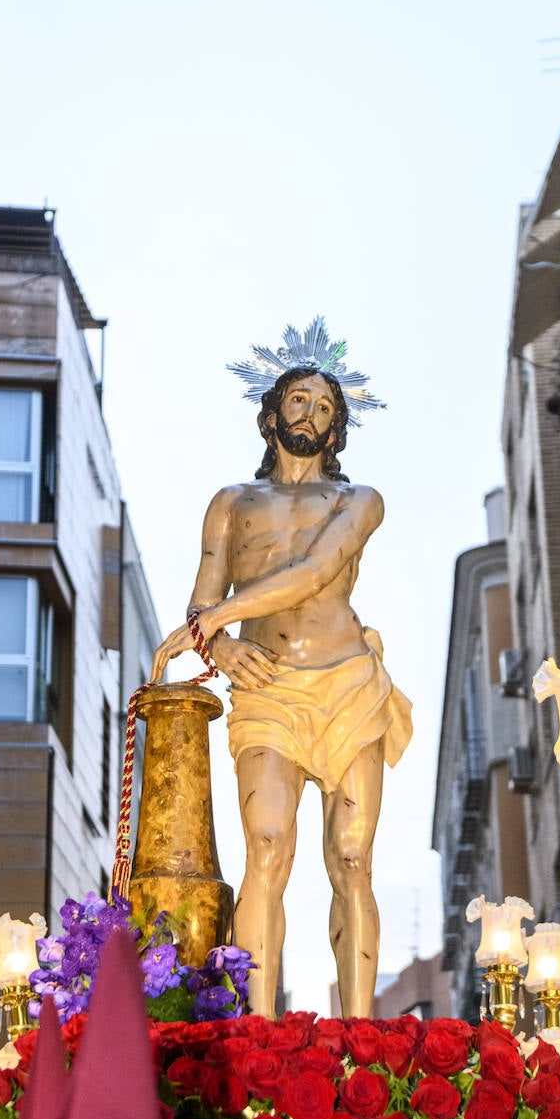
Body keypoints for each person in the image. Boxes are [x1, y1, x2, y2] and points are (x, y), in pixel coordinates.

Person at [151, 321, 411, 1019]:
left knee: (352, 856)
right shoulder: (232, 504)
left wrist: (209, 624)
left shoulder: (357, 501)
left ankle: (360, 1032)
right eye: (299, 401)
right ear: (271, 416)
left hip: (348, 682)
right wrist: (222, 644)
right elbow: (205, 599)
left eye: (326, 408)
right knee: (266, 846)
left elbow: (313, 572)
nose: (311, 415)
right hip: (267, 690)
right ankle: (257, 1028)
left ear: (339, 431)